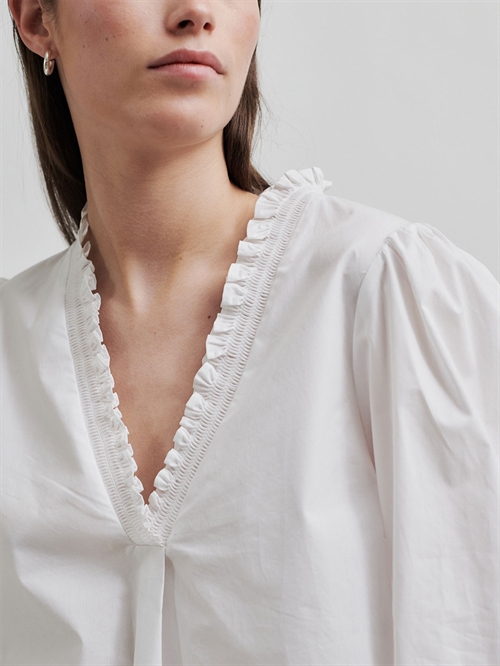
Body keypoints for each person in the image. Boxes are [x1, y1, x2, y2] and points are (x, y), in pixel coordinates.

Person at [1, 0, 498, 664]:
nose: (195, 11)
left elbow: (467, 626)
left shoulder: (382, 292)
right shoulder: (10, 351)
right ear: (38, 19)